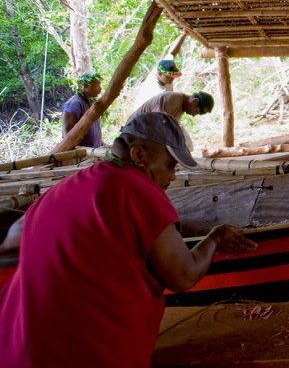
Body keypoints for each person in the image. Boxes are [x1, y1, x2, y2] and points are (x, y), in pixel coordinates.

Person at [0, 112, 257, 368]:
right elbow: (183, 275)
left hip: (15, 352)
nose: (173, 176)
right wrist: (214, 239)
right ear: (138, 156)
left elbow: (15, 238)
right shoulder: (138, 190)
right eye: (170, 165)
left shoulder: (60, 190)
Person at [62, 71, 103, 147]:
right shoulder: (74, 104)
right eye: (97, 86)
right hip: (81, 155)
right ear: (86, 86)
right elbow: (67, 135)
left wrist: (100, 143)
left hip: (93, 152)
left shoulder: (91, 102)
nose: (100, 89)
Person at [129, 91, 214, 123]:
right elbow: (156, 123)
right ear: (195, 101)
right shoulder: (173, 99)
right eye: (196, 112)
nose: (194, 115)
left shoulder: (180, 108)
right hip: (132, 129)